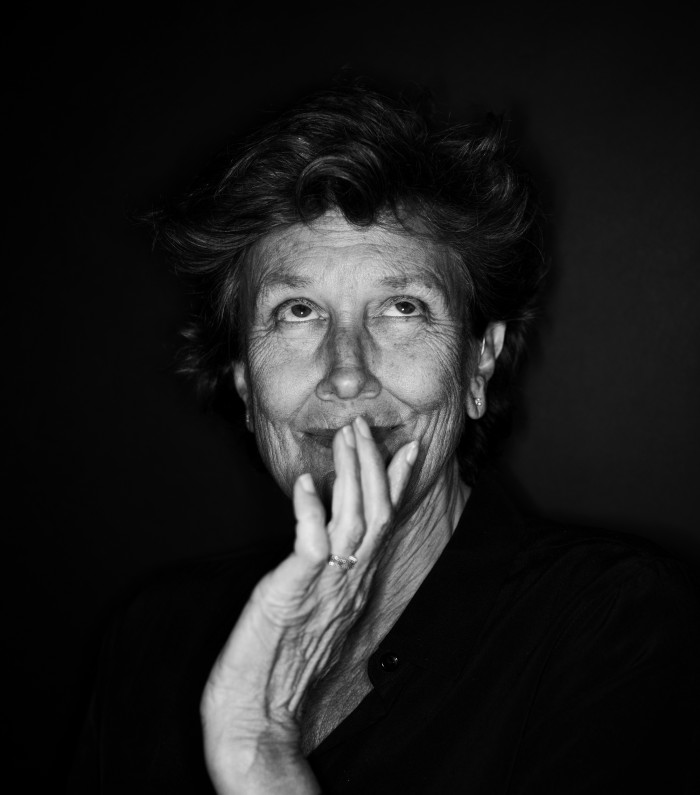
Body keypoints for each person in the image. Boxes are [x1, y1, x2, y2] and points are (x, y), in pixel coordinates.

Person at [70, 84, 700, 794]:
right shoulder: (154, 636)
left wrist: (259, 755)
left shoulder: (616, 622)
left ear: (478, 363)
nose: (347, 373)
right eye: (298, 311)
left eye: (402, 308)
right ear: (244, 381)